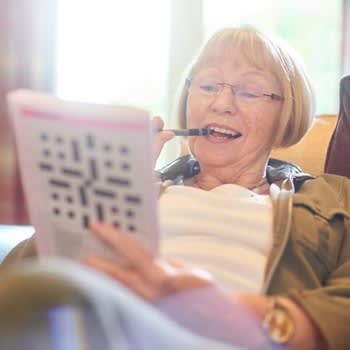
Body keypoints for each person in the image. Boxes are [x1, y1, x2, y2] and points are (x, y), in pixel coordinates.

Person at [1, 25, 350, 350]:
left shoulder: (333, 198)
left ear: (286, 114)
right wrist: (110, 192)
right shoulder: (146, 189)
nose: (220, 104)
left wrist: (226, 312)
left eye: (248, 91)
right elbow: (21, 277)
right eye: (209, 86)